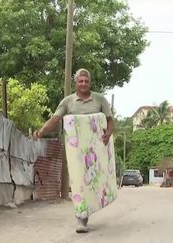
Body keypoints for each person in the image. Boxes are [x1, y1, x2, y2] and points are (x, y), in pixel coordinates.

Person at [33, 68, 114, 233]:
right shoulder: (68, 102)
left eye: (86, 81)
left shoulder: (99, 99)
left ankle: (94, 206)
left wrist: (108, 134)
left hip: (96, 149)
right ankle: (81, 219)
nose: (83, 84)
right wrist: (41, 132)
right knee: (78, 182)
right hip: (76, 150)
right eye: (80, 81)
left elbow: (109, 120)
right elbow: (55, 119)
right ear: (75, 83)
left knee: (95, 180)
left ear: (89, 82)